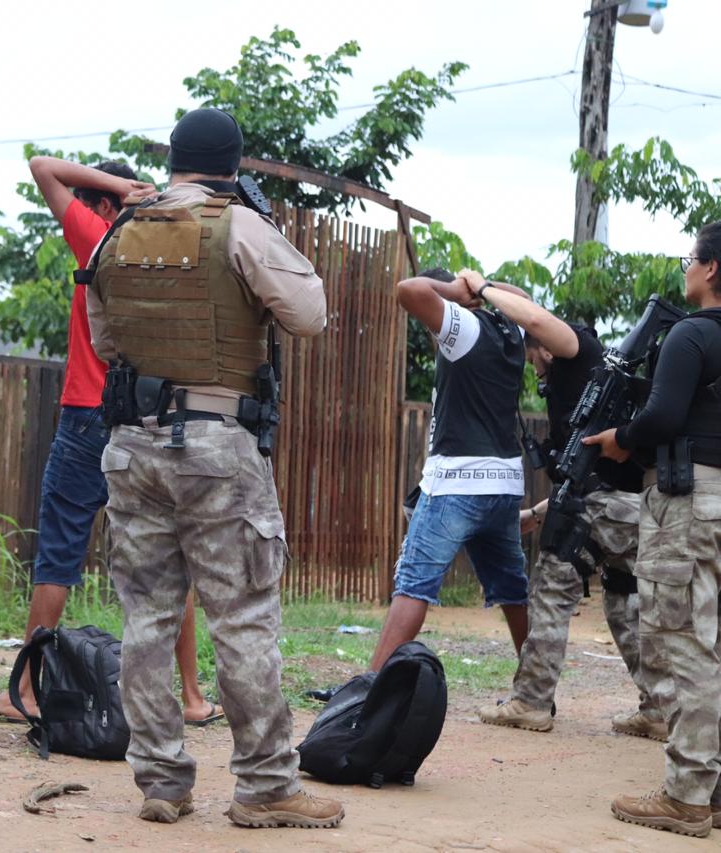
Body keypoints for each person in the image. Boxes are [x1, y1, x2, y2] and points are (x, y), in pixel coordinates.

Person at [88, 107, 341, 828]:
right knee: (244, 618)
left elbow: (105, 339)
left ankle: (162, 780)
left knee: (146, 618)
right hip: (216, 444)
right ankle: (265, 785)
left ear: (173, 159)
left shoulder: (119, 232)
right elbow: (309, 313)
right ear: (235, 161)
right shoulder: (239, 226)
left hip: (131, 443)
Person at [0, 157, 220, 726]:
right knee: (170, 559)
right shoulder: (167, 248)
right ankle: (192, 697)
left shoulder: (100, 237)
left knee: (59, 554)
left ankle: (22, 691)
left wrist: (116, 190)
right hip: (148, 421)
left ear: (103, 203)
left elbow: (40, 166)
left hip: (86, 413)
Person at [468, 271, 666, 739]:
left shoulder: (577, 351)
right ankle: (659, 710)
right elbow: (578, 477)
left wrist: (482, 289)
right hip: (626, 508)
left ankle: (531, 701)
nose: (530, 362)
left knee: (551, 588)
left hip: (606, 506)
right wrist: (535, 516)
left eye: (531, 351)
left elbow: (535, 316)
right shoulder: (570, 388)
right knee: (624, 604)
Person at [587, 222, 721, 838]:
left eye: (691, 258)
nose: (686, 269)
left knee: (688, 645)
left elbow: (664, 415)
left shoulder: (692, 334)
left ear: (712, 268)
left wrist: (623, 440)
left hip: (691, 502)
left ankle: (687, 795)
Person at [367, 268, 531, 673]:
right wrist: (484, 288)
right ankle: (534, 687)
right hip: (505, 483)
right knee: (512, 589)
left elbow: (410, 290)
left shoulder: (464, 327)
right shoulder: (510, 328)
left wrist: (456, 292)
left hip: (457, 482)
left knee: (413, 584)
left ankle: (366, 692)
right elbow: (523, 295)